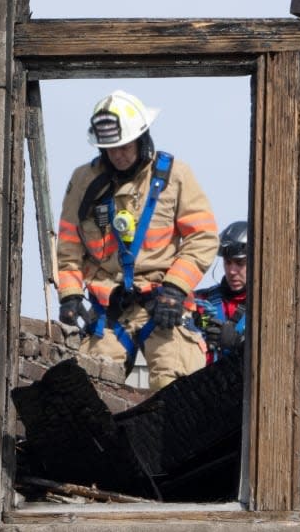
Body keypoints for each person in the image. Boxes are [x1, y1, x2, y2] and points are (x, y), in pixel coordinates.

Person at [56, 90, 219, 390]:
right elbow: (68, 247)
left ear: (142, 137)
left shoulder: (175, 176)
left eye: (124, 146)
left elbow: (204, 237)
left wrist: (175, 288)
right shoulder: (84, 181)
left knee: (177, 383)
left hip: (163, 305)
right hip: (109, 310)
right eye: (110, 148)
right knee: (86, 389)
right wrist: (70, 295)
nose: (117, 155)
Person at [194, 220, 248, 364]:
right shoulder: (202, 300)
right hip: (205, 383)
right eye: (228, 262)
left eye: (240, 263)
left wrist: (240, 342)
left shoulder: (267, 308)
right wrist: (198, 324)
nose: (232, 271)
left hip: (247, 384)